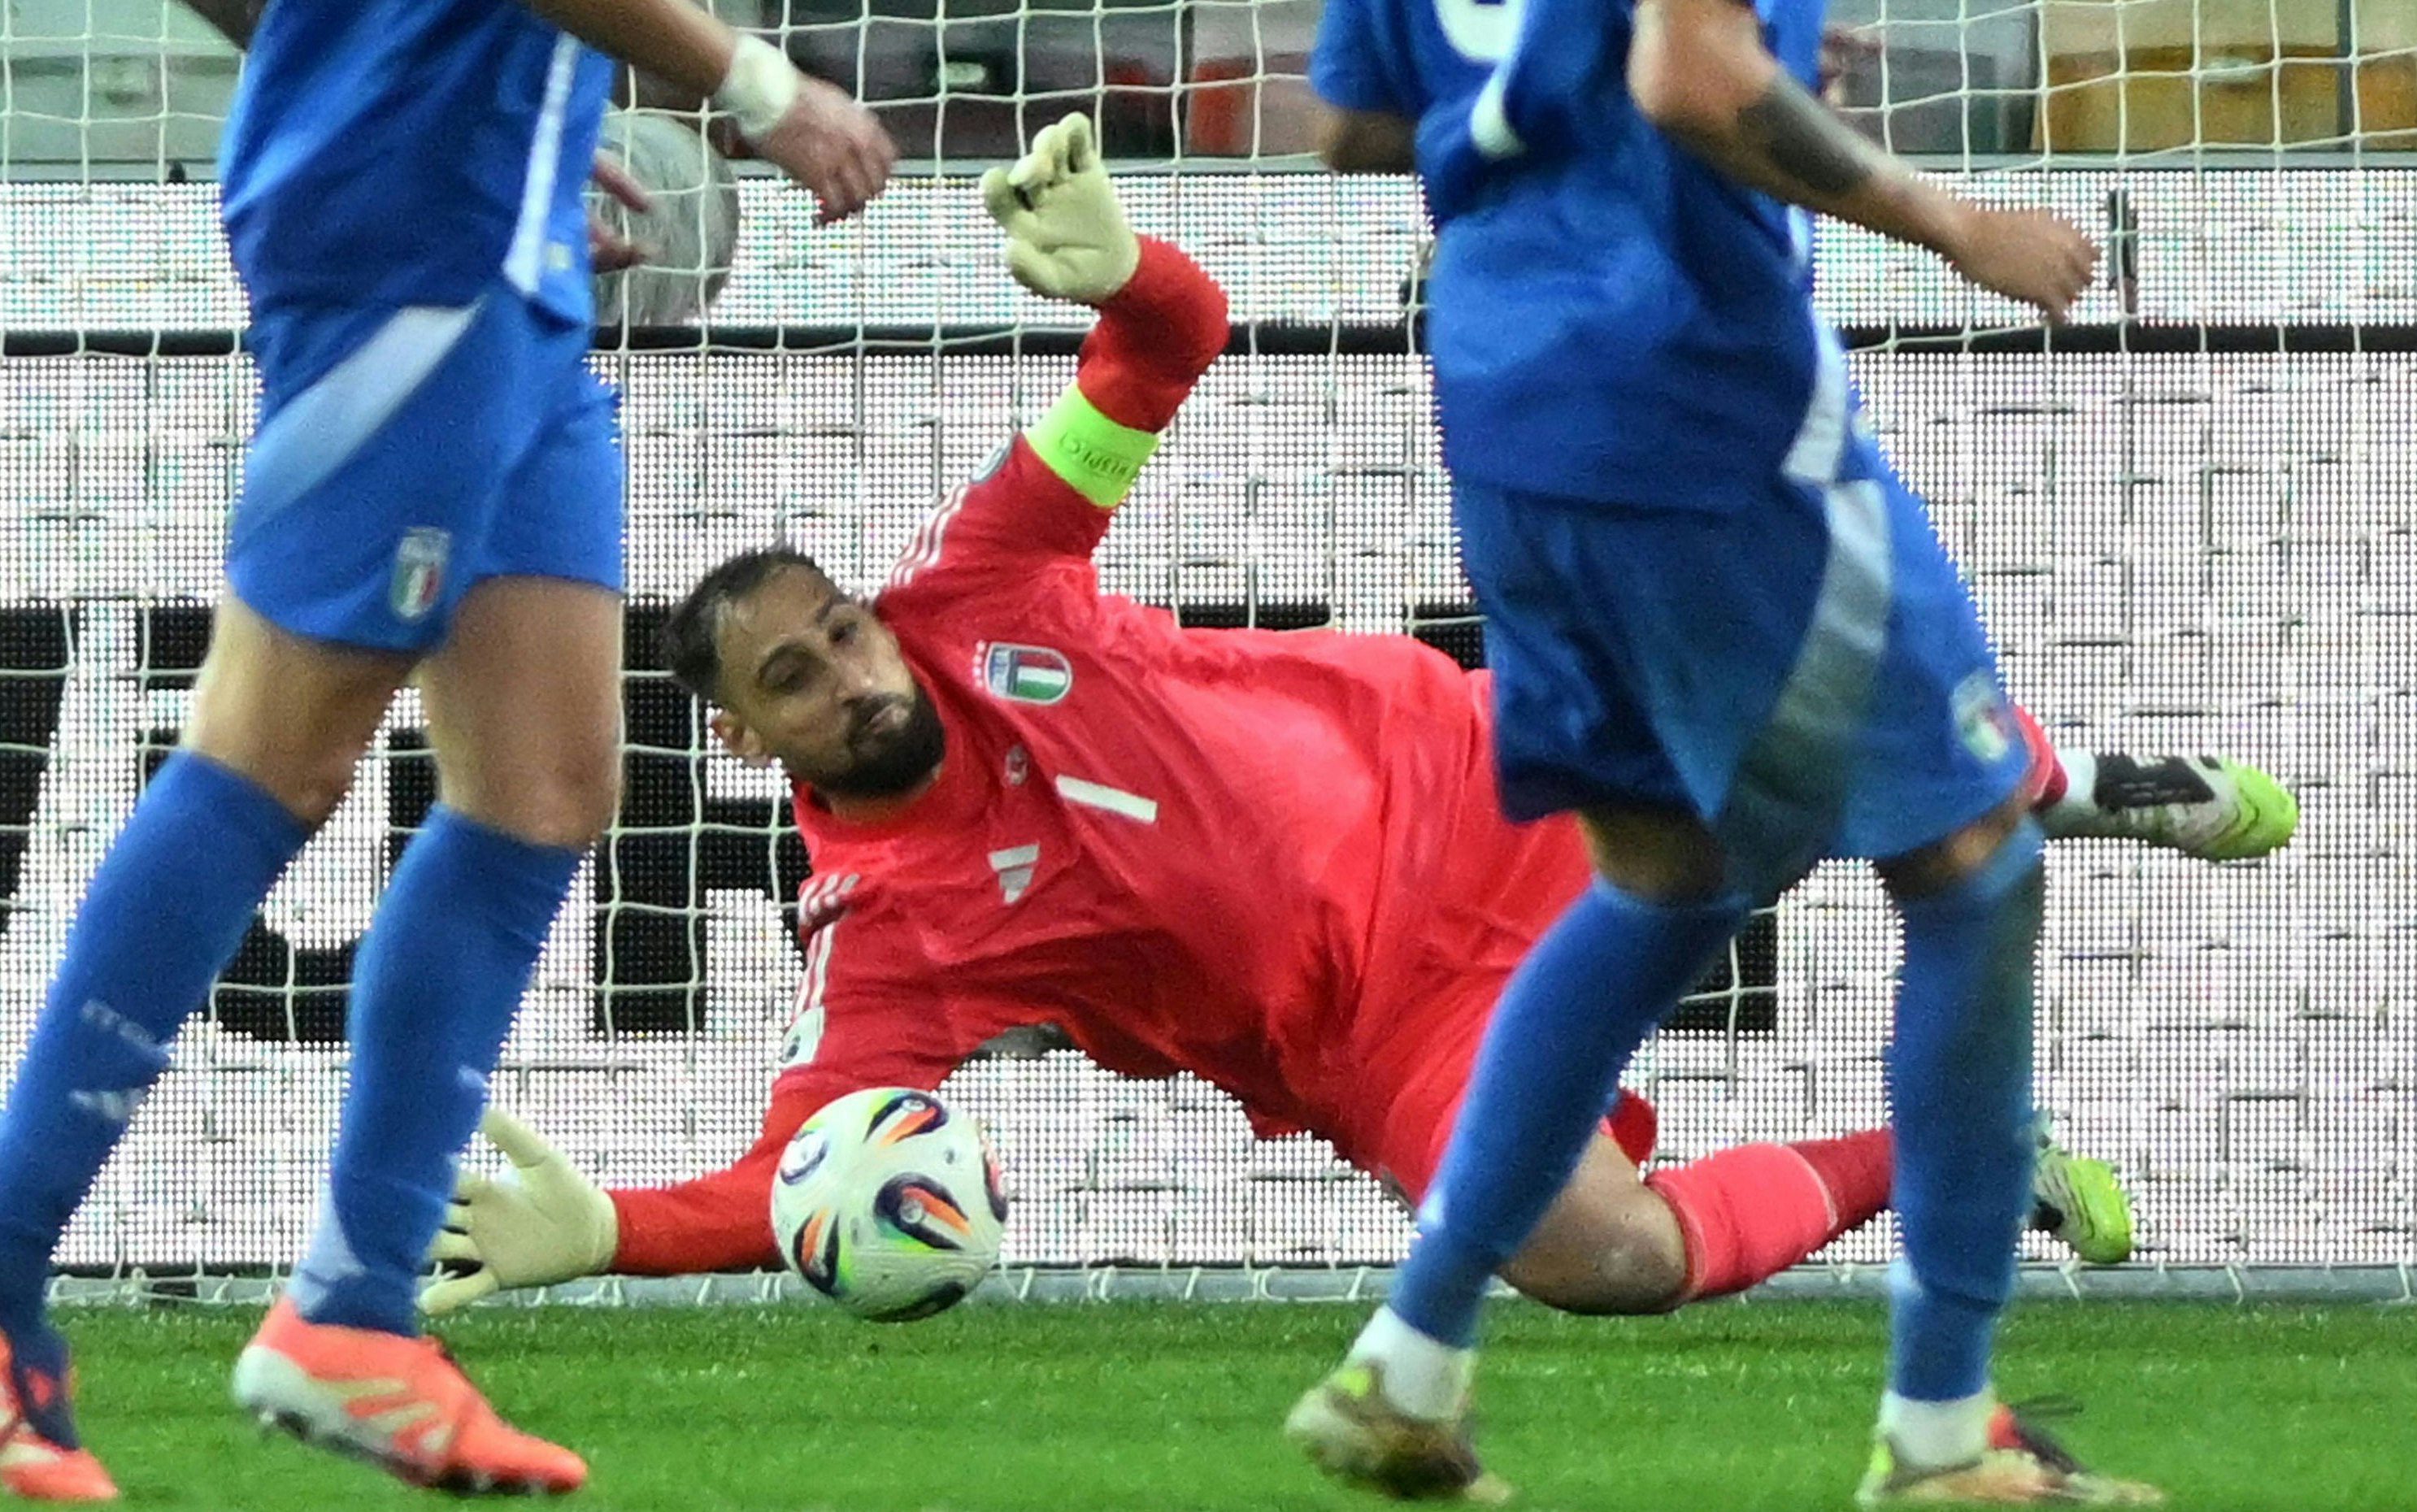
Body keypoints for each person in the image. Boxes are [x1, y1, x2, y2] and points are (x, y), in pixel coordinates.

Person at [416, 119, 2292, 1340]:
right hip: (1380, 1034)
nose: (856, 673)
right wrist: (618, 1235)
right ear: (753, 750)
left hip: (1473, 779)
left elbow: (1164, 351)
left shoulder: (977, 577)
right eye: (800, 681)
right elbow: (806, 1175)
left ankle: (2073, 779)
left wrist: (1118, 269)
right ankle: (1968, 1152)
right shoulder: (892, 942)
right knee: (1603, 1263)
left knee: (1795, 726)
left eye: (841, 632)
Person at [0, 0, 893, 1499]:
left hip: (486, 217)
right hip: (414, 226)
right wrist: (751, 81)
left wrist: (518, 124)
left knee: (545, 787)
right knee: (271, 749)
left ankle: (353, 1313)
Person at [1292, 0, 2176, 1501]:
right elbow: (1689, 78)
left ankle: (1407, 1363)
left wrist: (1663, 88)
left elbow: (1355, 126)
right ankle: (1943, 1437)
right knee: (1973, 867)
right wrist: (1951, 218)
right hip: (1698, 408)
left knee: (1661, 884)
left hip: (1508, 411)